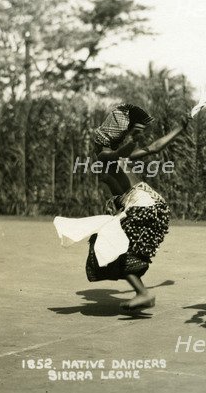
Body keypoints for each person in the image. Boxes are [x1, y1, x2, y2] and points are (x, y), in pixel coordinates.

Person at [54, 104, 192, 309]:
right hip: (152, 203)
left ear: (99, 143)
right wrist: (179, 128)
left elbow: (117, 154)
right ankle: (141, 291)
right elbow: (154, 147)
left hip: (142, 204)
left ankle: (143, 293)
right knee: (113, 244)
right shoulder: (115, 157)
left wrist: (133, 139)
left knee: (109, 245)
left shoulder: (104, 157)